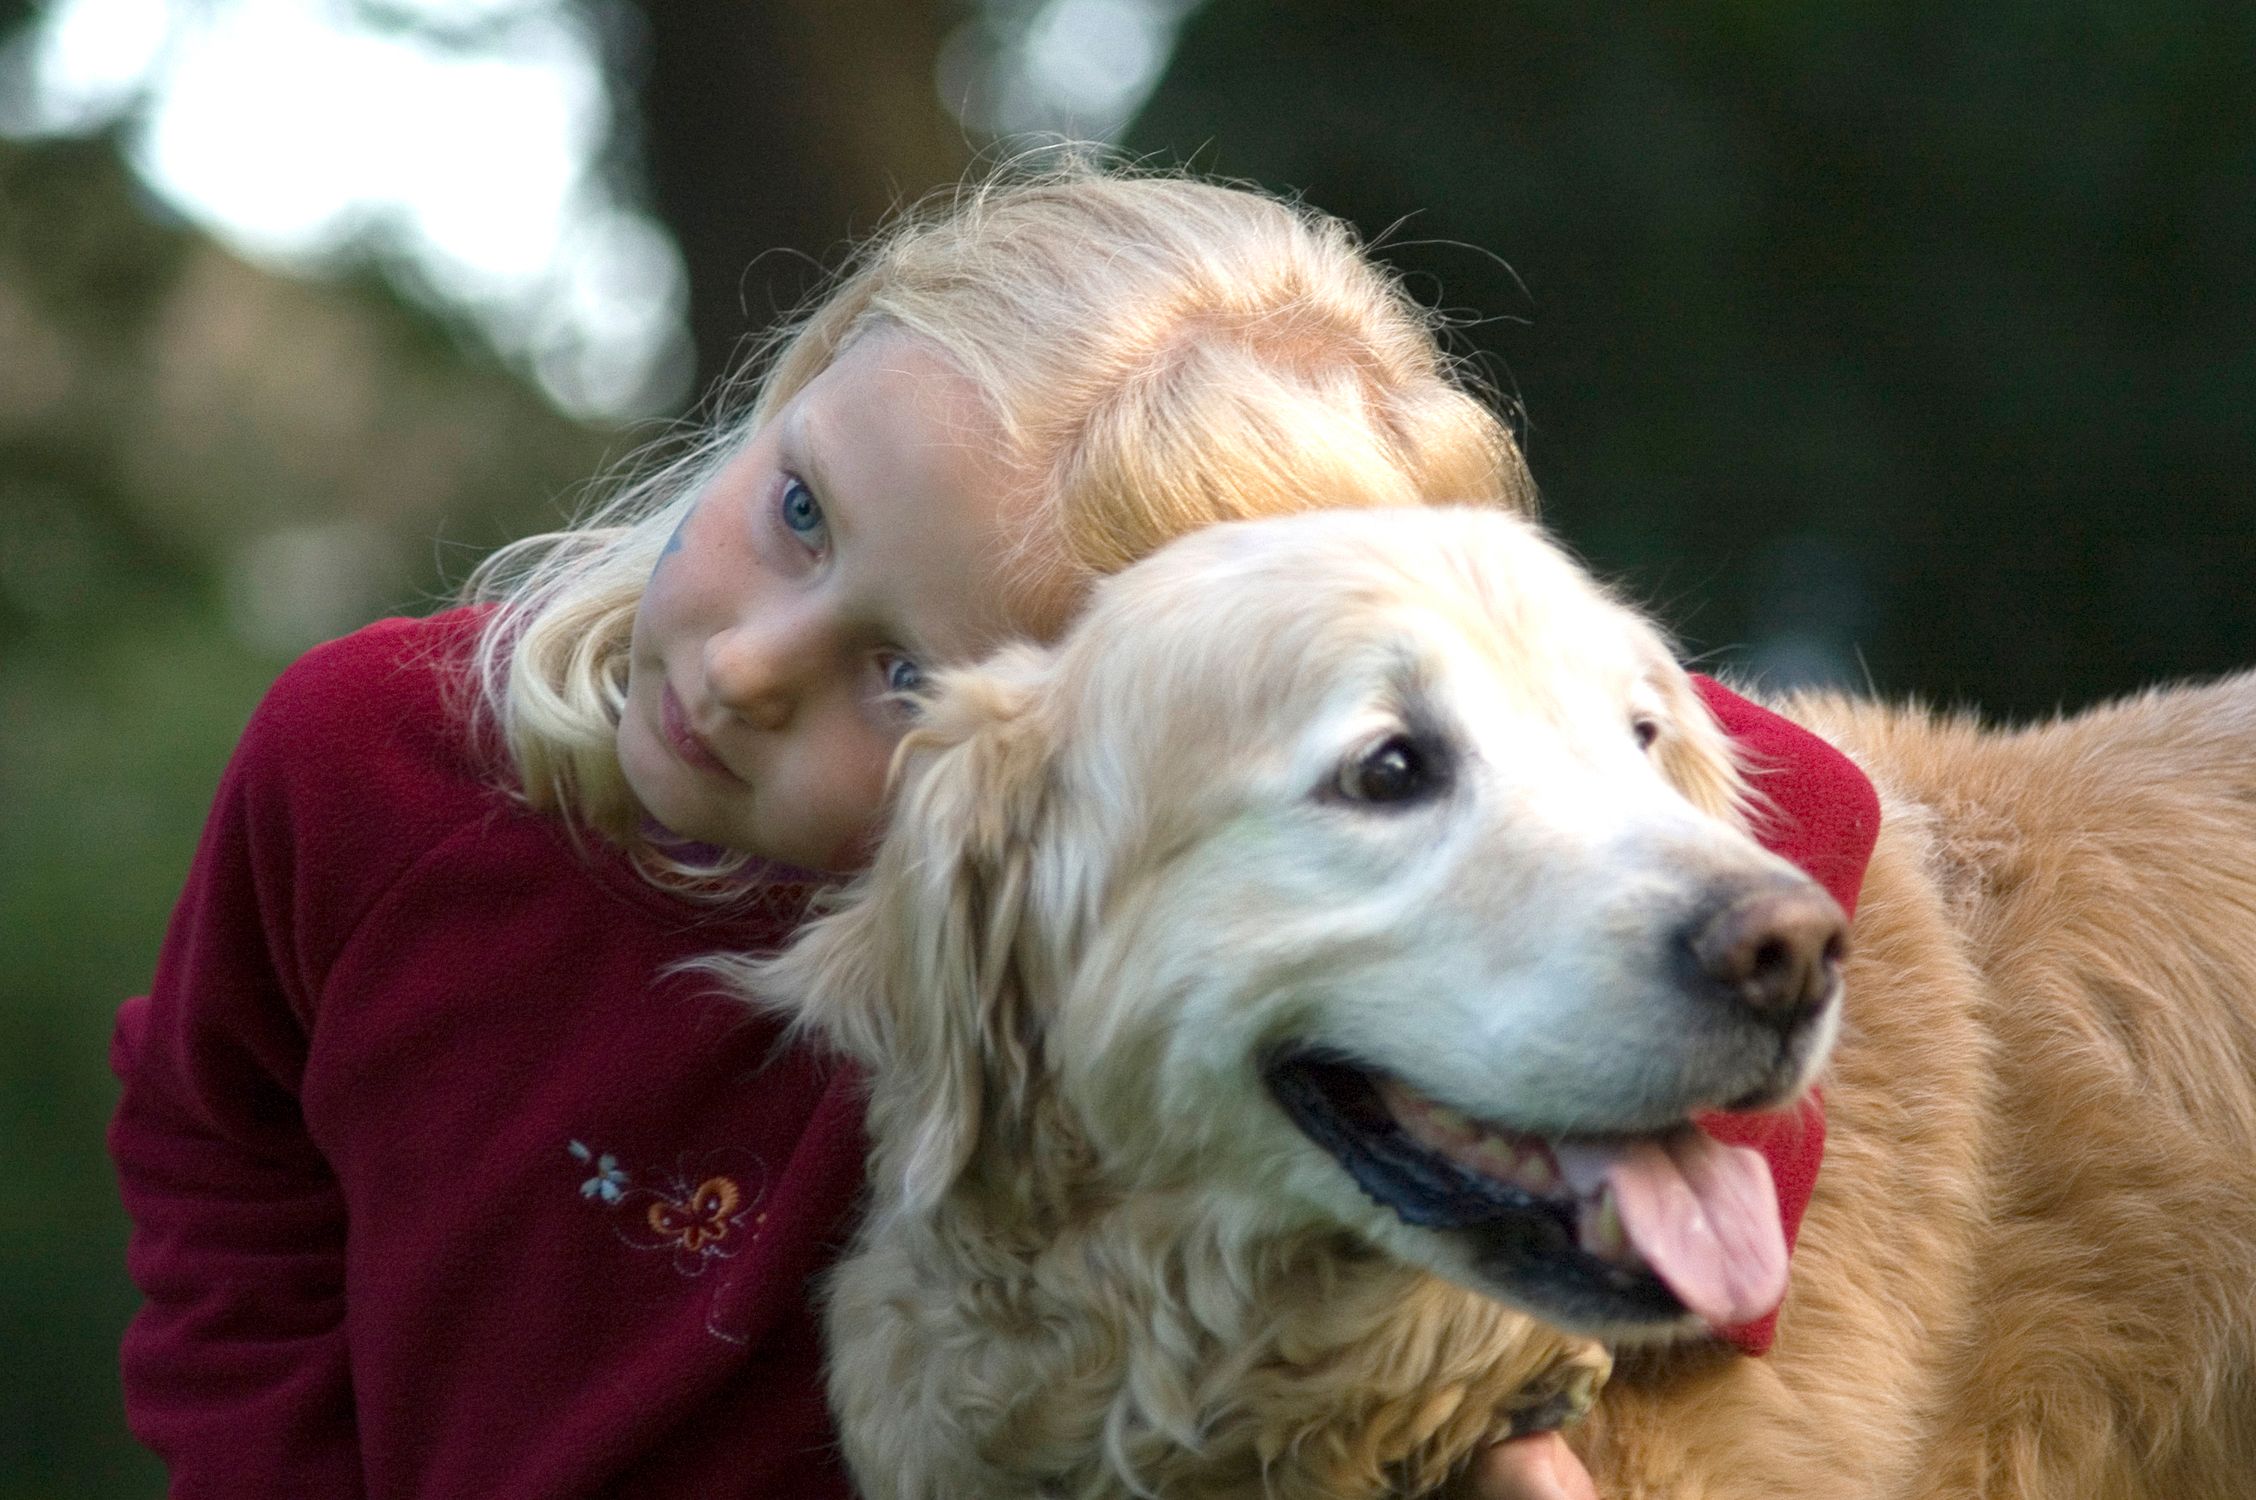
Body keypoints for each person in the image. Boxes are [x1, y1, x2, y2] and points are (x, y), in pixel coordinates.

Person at [111, 157, 1864, 1500]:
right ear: (797, 373)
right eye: (798, 505)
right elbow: (217, 1136)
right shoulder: (373, 759)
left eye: (901, 673)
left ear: (1082, 761)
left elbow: (1807, 806)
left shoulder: (1065, 945)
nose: (741, 663)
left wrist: (1562, 1329)